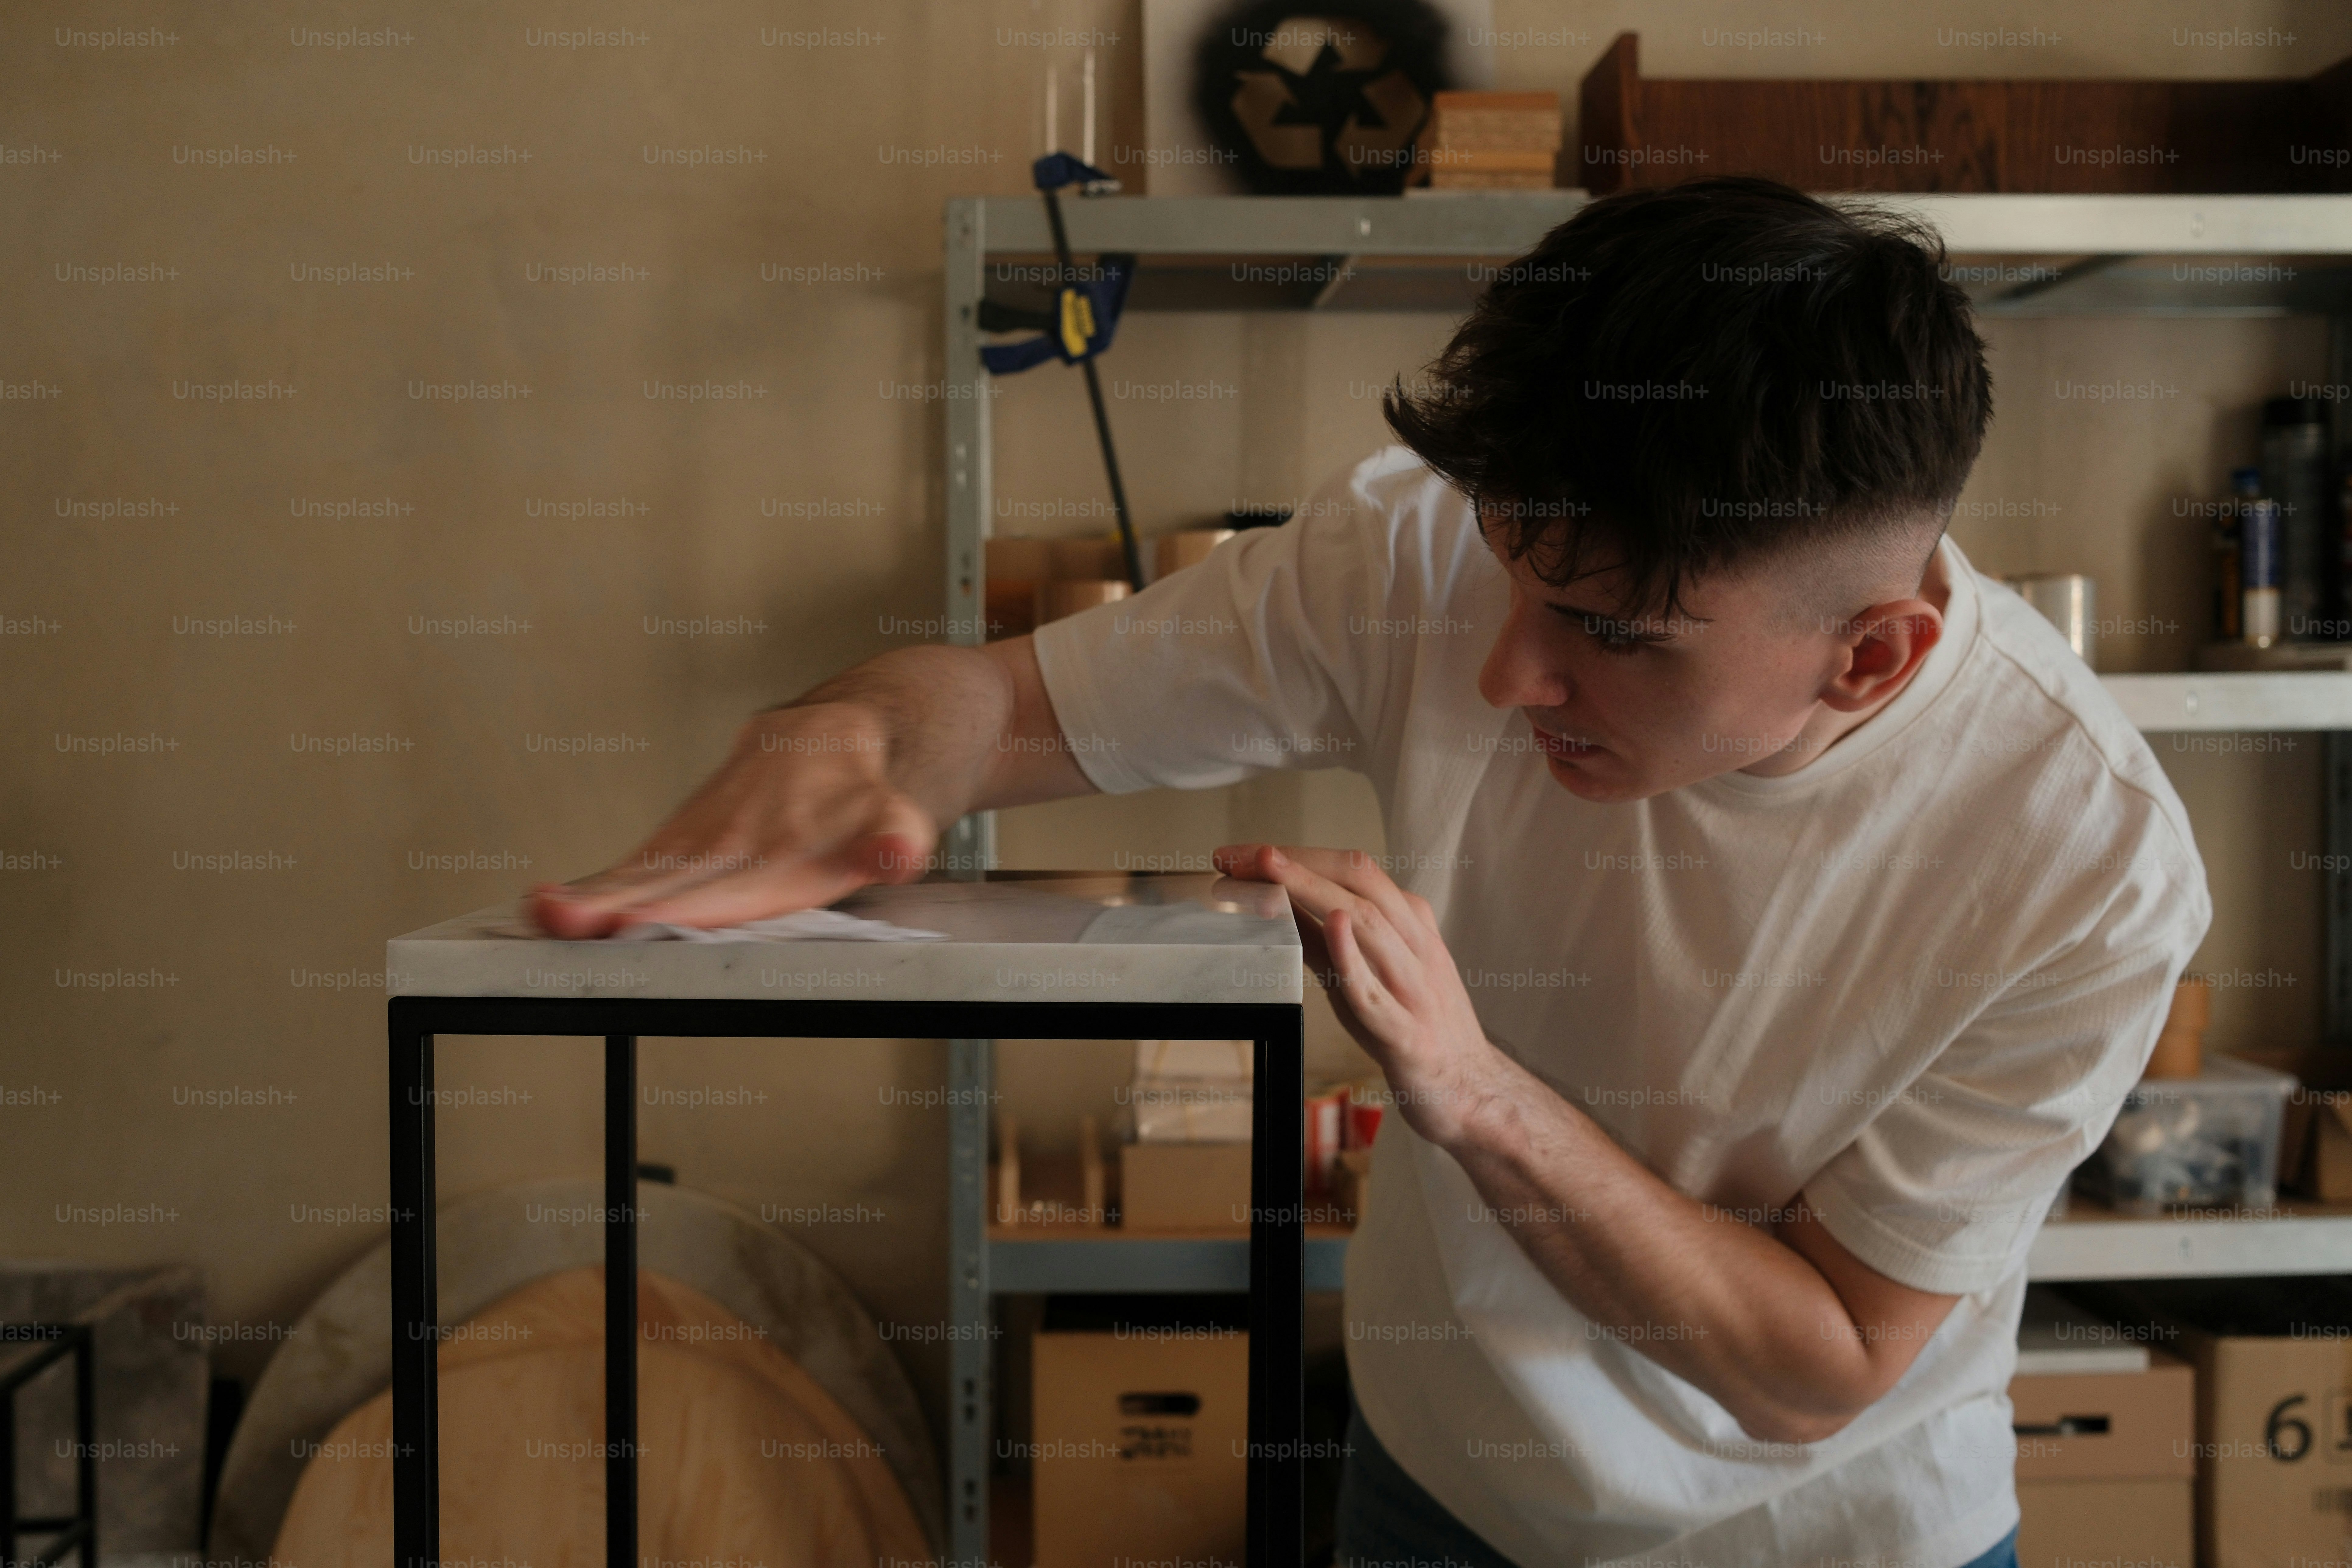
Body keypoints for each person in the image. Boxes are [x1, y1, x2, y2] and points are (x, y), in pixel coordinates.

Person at [532, 177, 2208, 1568]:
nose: (1506, 677)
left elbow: (1819, 1366)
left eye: (1609, 635)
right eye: (1511, 578)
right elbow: (999, 709)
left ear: (1870, 656)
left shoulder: (2085, 864)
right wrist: (851, 738)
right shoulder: (1414, 546)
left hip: (1833, 1535)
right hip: (1442, 1488)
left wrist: (1472, 1091)